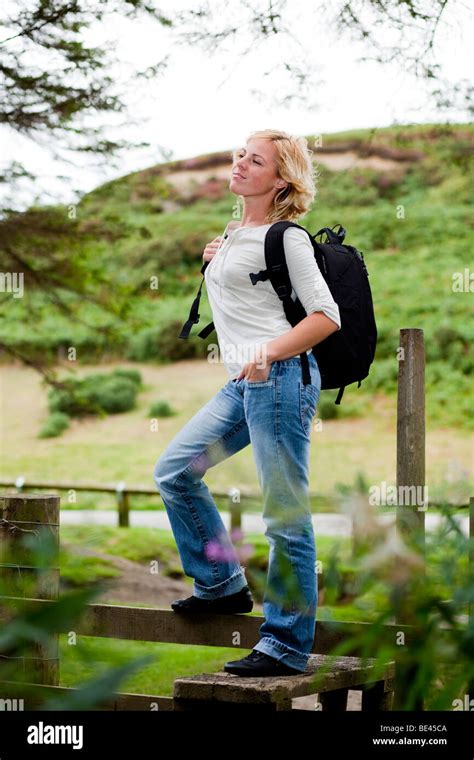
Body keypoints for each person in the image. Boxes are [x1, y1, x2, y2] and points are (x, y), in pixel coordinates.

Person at [153, 128, 341, 677]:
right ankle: (220, 583)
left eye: (254, 160)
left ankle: (284, 644)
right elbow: (249, 297)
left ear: (280, 178)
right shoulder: (237, 231)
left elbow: (326, 316)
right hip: (244, 382)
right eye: (239, 154)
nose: (239, 163)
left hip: (280, 381)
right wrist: (215, 259)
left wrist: (269, 352)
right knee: (175, 471)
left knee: (284, 516)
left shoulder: (289, 237)